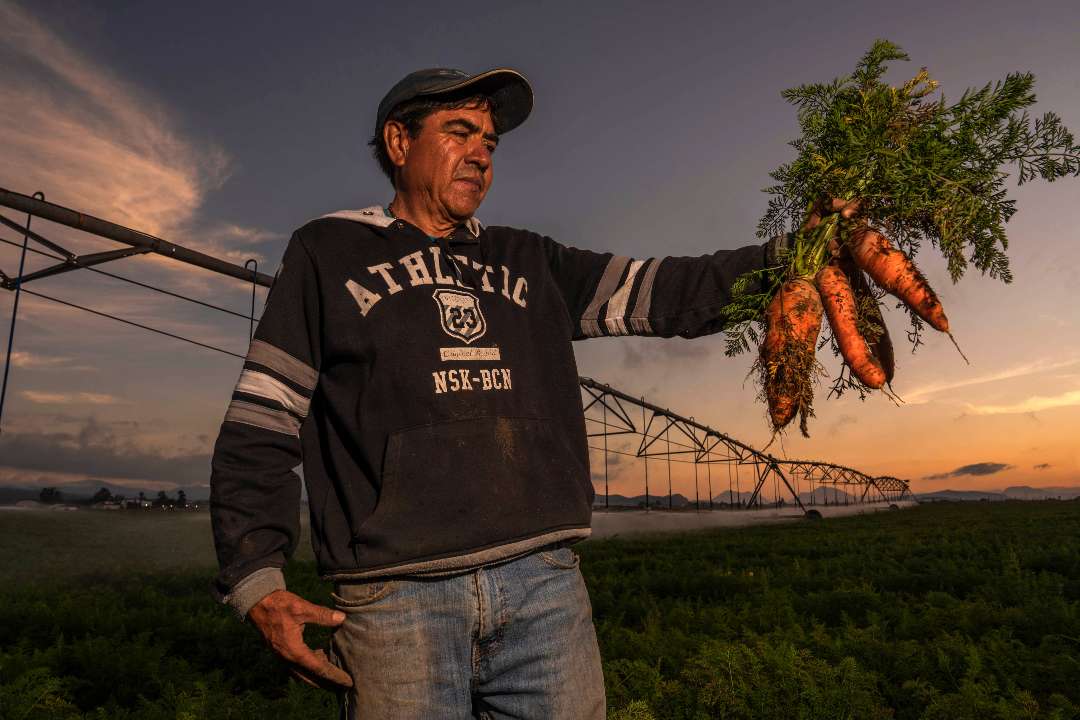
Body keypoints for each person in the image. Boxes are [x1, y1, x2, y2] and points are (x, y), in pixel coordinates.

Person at [208, 66, 858, 718]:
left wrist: (793, 255)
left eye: (490, 142)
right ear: (399, 142)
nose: (482, 155)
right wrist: (255, 577)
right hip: (396, 600)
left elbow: (667, 290)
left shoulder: (530, 261)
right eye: (460, 133)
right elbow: (262, 417)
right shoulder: (329, 252)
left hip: (543, 588)